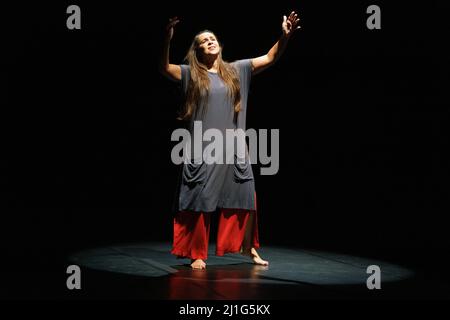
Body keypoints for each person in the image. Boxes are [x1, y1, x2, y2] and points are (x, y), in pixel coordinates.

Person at [159, 12, 300, 269]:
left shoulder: (237, 70)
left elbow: (270, 57)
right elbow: (164, 68)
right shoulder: (192, 74)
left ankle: (249, 248)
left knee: (244, 195)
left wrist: (285, 36)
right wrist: (167, 40)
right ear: (197, 50)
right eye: (204, 41)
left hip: (234, 149)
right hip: (204, 148)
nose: (210, 41)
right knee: (199, 199)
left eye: (213, 38)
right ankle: (197, 252)